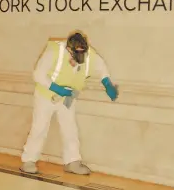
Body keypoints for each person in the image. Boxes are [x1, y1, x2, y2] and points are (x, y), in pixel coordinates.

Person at [20, 30, 118, 175]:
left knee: (70, 128)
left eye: (82, 54)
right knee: (40, 127)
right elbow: (38, 74)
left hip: (68, 96)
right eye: (75, 54)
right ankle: (29, 160)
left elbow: (101, 67)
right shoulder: (54, 51)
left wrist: (108, 84)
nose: (79, 57)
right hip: (46, 95)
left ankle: (72, 161)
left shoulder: (90, 54)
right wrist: (56, 89)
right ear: (69, 48)